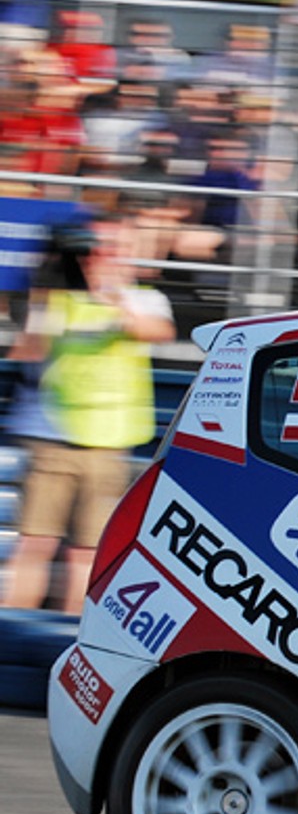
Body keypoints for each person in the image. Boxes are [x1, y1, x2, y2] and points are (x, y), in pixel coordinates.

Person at [4, 219, 174, 612]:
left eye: (115, 248)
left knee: (85, 553)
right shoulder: (55, 300)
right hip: (51, 439)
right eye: (96, 248)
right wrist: (44, 288)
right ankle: (11, 641)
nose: (103, 256)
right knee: (35, 545)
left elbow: (156, 331)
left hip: (106, 446)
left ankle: (63, 644)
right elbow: (28, 352)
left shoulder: (145, 298)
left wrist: (111, 297)